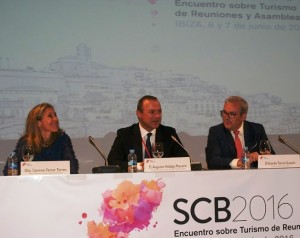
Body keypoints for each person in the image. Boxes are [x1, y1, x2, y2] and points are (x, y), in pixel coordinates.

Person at [107, 95, 189, 172]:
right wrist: (138, 166)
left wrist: (161, 165)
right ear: (139, 113)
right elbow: (112, 162)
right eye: (152, 112)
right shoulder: (125, 134)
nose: (157, 116)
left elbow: (185, 160)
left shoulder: (169, 133)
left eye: (159, 111)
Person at [3, 103, 79, 175]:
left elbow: (73, 167)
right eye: (50, 116)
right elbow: (9, 170)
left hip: (57, 185)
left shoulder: (62, 139)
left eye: (55, 115)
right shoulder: (26, 142)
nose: (55, 119)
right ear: (38, 123)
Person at [205, 96, 275, 170]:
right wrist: (237, 162)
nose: (226, 117)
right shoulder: (216, 132)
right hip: (227, 178)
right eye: (224, 112)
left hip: (254, 177)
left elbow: (272, 157)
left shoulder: (257, 129)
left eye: (232, 114)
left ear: (243, 116)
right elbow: (212, 161)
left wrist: (261, 157)